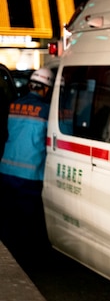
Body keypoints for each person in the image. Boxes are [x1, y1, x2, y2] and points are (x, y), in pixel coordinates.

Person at [0, 67, 55, 253]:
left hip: (6, 171)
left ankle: (9, 253)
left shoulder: (14, 105)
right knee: (28, 221)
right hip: (30, 175)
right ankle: (27, 257)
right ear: (46, 89)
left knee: (9, 218)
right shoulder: (47, 111)